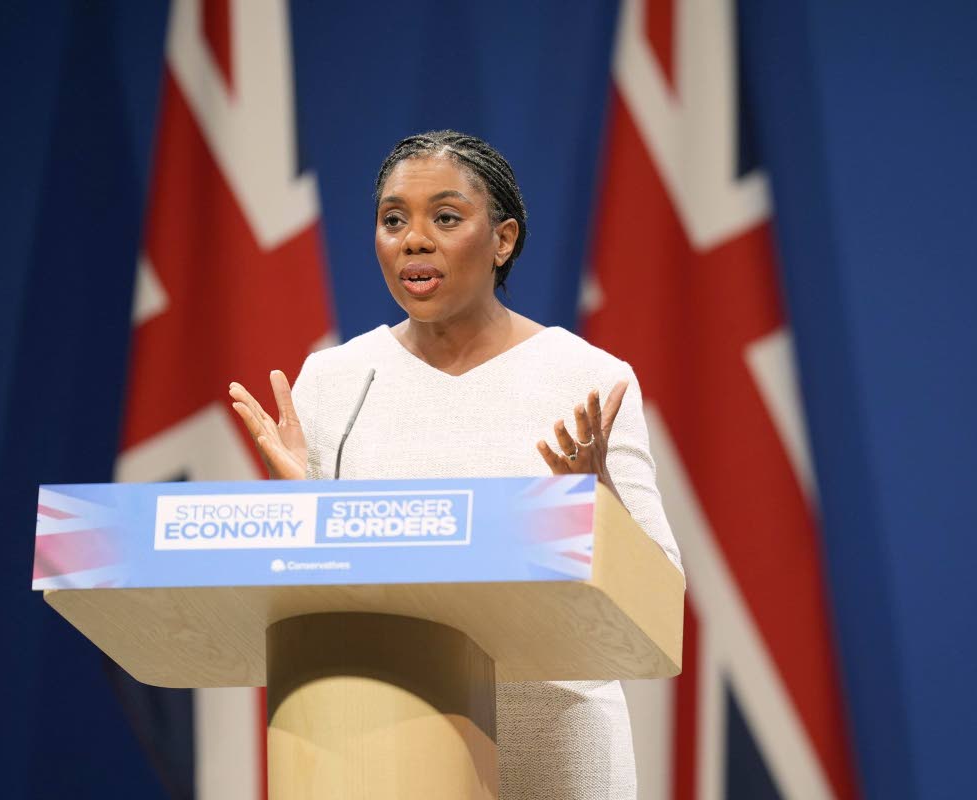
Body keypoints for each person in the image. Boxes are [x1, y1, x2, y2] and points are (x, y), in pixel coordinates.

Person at [228, 130, 682, 799]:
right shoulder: (335, 382)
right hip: (380, 746)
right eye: (393, 220)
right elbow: (317, 599)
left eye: (445, 217)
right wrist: (302, 519)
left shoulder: (585, 377)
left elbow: (661, 600)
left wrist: (601, 504)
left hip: (553, 747)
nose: (413, 239)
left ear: (502, 240)